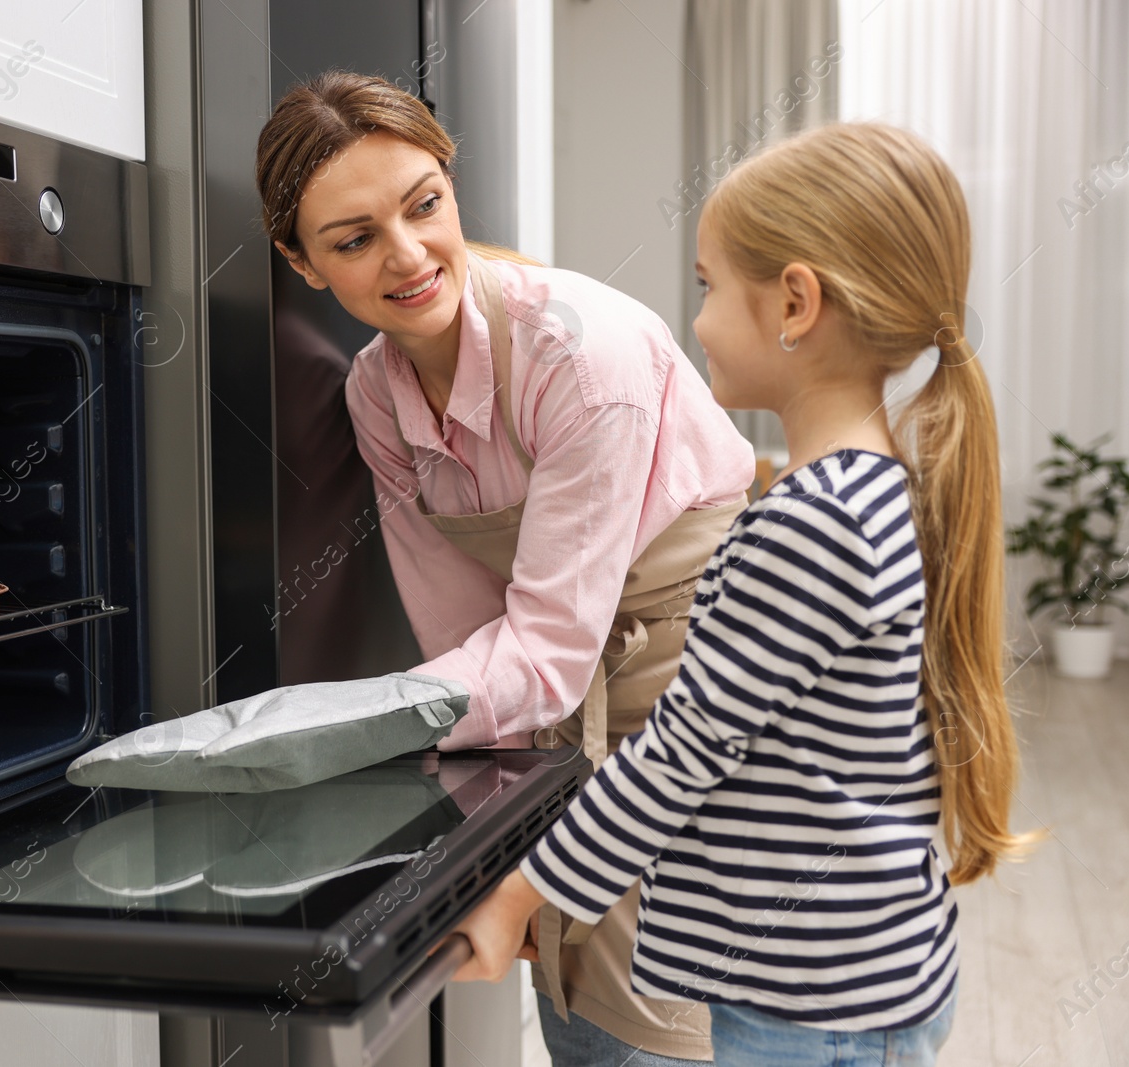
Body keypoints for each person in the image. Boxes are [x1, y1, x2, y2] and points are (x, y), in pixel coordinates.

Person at [449, 122, 1039, 1067]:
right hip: (850, 983)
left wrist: (522, 893)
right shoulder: (873, 491)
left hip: (811, 1006)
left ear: (796, 302)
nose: (699, 320)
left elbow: (683, 751)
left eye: (710, 285)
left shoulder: (815, 523)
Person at [256, 71, 756, 1065]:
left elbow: (547, 648)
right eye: (354, 240)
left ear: (448, 181)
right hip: (559, 713)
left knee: (677, 1021)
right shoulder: (373, 392)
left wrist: (343, 722)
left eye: (423, 206)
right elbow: (463, 629)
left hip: (696, 708)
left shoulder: (581, 356)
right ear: (300, 262)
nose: (407, 257)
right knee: (576, 1008)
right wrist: (486, 829)